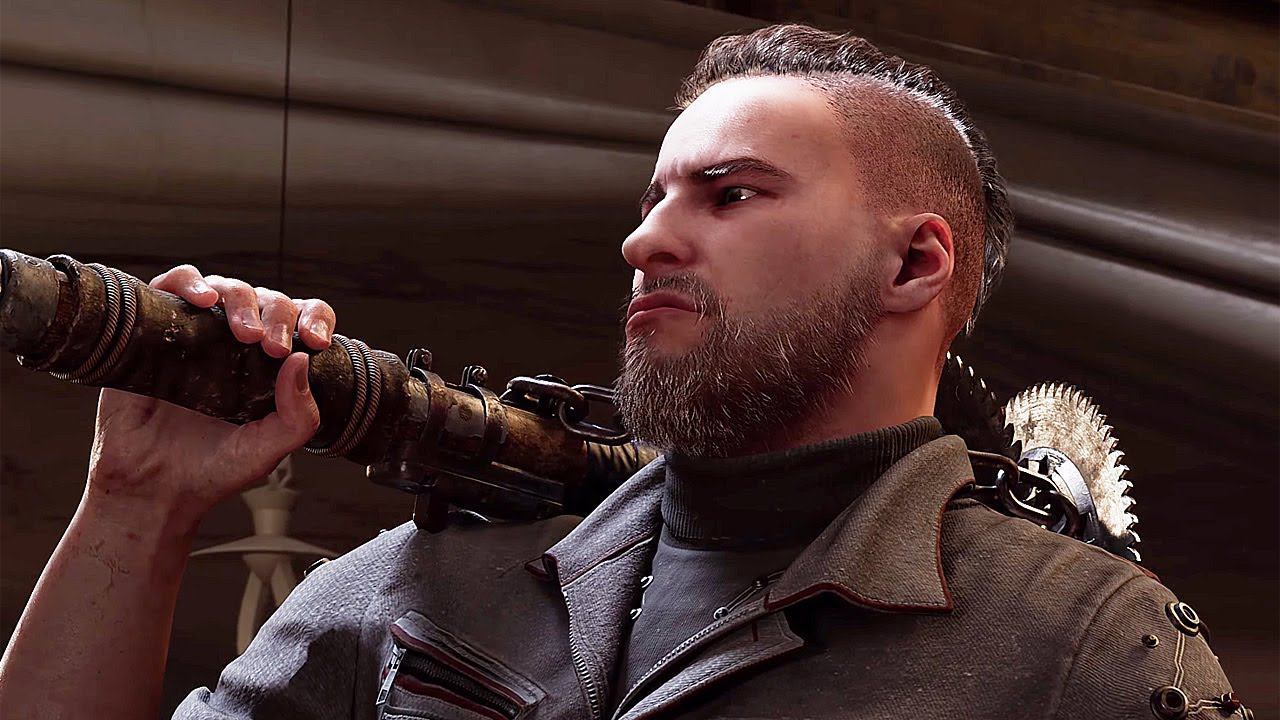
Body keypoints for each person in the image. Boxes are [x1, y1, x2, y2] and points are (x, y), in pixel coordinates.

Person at [0, 24, 1244, 720]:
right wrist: (135, 502)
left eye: (729, 194)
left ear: (913, 263)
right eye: (651, 197)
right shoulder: (434, 585)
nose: (644, 240)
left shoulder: (1076, 644)